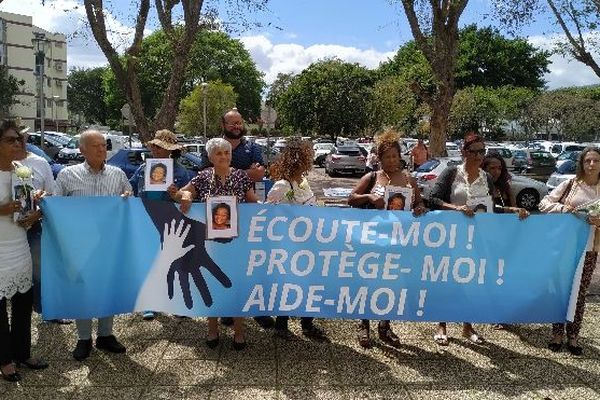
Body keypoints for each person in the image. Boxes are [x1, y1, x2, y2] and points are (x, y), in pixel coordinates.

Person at [55, 130, 132, 361]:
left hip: (109, 243)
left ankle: (106, 335)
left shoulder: (118, 174)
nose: (102, 149)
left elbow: (130, 195)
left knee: (108, 286)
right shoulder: (68, 175)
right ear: (82, 150)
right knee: (83, 289)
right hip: (80, 243)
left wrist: (128, 195)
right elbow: (56, 205)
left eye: (104, 145)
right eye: (96, 145)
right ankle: (84, 338)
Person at [174, 137, 258, 350]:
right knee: (211, 284)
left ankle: (239, 331)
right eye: (218, 153)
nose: (223, 156)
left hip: (237, 242)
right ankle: (212, 329)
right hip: (209, 243)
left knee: (236, 284)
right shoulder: (202, 177)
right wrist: (183, 196)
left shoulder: (240, 176)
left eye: (227, 153)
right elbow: (183, 192)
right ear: (210, 157)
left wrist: (274, 207)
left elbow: (253, 202)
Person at [348, 129, 426, 348]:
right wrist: (370, 197)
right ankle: (363, 325)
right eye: (387, 156)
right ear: (380, 159)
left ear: (400, 156)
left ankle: (385, 325)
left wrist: (419, 208)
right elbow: (351, 199)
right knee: (368, 282)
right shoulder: (372, 177)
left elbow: (419, 202)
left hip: (399, 241)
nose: (391, 160)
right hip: (372, 241)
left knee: (391, 283)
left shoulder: (409, 179)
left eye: (394, 155)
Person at [204, 108, 274, 329]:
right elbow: (205, 172)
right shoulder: (214, 145)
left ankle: (255, 309)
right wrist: (245, 173)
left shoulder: (253, 147)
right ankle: (227, 308)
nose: (236, 126)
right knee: (223, 265)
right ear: (223, 125)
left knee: (250, 265)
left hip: (249, 215)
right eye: (231, 123)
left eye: (239, 122)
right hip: (220, 220)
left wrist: (234, 173)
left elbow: (260, 174)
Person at [428, 132, 494, 346]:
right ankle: (442, 325)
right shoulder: (450, 173)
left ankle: (467, 327)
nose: (478, 156)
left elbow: (492, 207)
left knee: (471, 282)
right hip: (450, 238)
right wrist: (456, 208)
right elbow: (433, 199)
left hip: (477, 240)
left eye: (482, 152)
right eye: (474, 151)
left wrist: (515, 210)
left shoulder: (487, 178)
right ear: (464, 152)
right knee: (447, 281)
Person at [539, 147, 600, 355]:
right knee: (561, 290)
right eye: (588, 161)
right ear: (582, 164)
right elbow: (543, 204)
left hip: (590, 248)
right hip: (565, 247)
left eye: (596, 161)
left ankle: (573, 336)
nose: (592, 165)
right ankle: (557, 333)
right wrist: (564, 209)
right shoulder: (571, 185)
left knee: (580, 293)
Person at [0, 120, 48, 382]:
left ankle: (23, 353)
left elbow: (26, 214)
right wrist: (1, 210)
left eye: (18, 139)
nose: (18, 143)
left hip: (19, 247)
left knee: (22, 305)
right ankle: (5, 360)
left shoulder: (23, 172)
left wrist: (35, 211)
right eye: (10, 139)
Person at [129, 129, 194, 321]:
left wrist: (178, 194)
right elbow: (130, 186)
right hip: (147, 219)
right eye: (154, 146)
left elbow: (187, 197)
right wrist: (125, 193)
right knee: (150, 262)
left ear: (170, 151)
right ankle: (150, 303)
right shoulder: (143, 168)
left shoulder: (181, 171)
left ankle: (178, 304)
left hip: (171, 221)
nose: (156, 150)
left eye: (160, 147)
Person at [266, 139, 325, 339]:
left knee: (309, 283)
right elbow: (267, 214)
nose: (303, 164)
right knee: (288, 284)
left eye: (306, 160)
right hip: (287, 245)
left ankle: (307, 323)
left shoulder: (304, 184)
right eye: (299, 160)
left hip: (307, 244)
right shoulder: (281, 186)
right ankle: (281, 326)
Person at [482, 154, 530, 219]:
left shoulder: (505, 187)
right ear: (483, 169)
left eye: (499, 168)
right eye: (492, 168)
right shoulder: (479, 188)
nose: (497, 172)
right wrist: (511, 209)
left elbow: (515, 209)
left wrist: (522, 212)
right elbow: (490, 209)